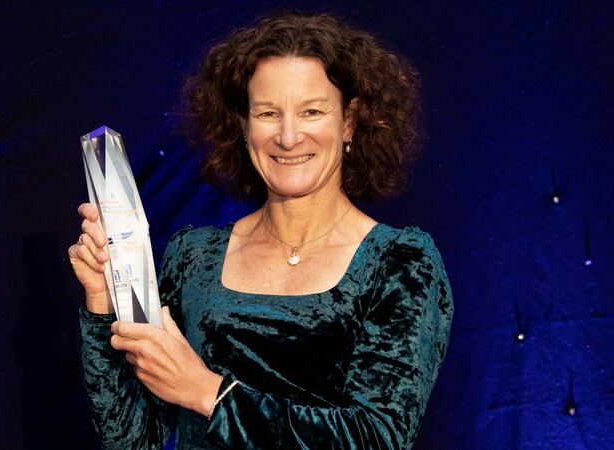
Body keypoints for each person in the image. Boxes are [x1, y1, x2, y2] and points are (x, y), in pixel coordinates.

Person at [69, 11, 453, 450]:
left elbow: (377, 439)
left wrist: (208, 393)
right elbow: (133, 440)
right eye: (268, 113)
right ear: (243, 125)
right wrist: (103, 303)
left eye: (311, 111)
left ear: (349, 121)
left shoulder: (400, 263)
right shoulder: (193, 256)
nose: (288, 137)